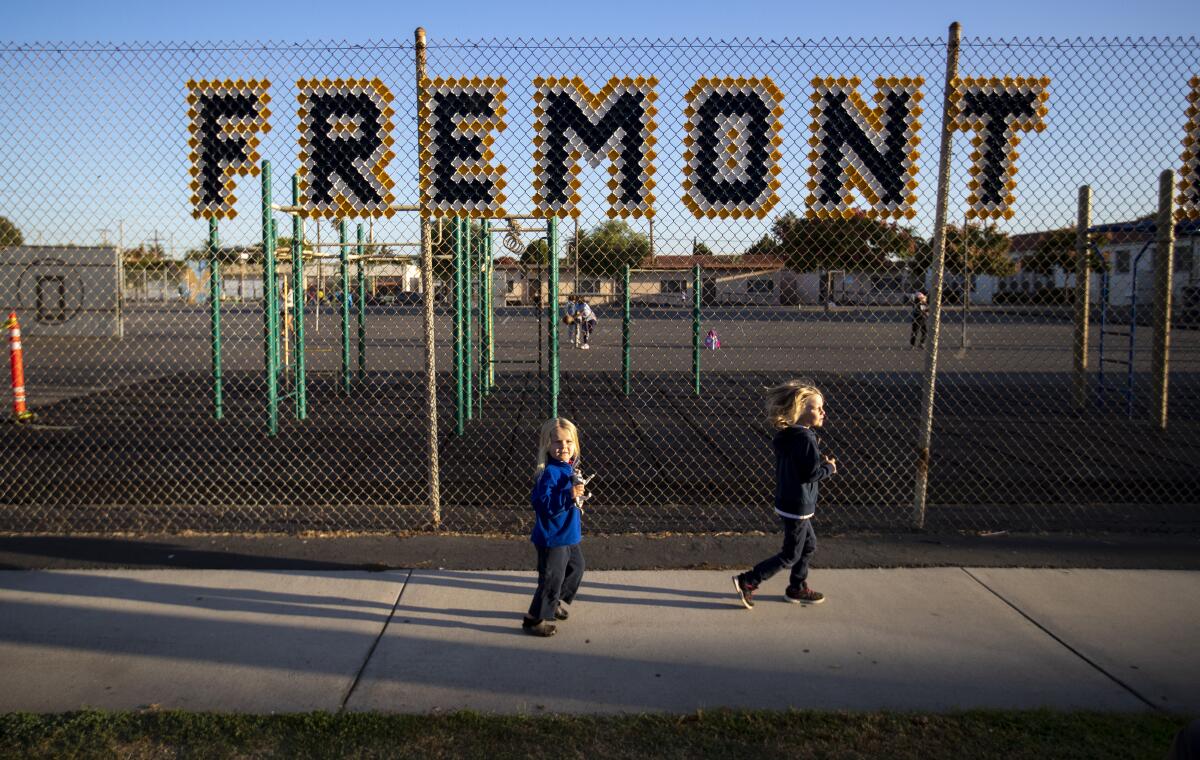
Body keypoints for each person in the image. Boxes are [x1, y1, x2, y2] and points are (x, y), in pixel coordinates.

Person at [733, 380, 837, 609]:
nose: (823, 412)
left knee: (808, 545)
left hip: (787, 500)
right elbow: (810, 474)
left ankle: (796, 587)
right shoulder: (806, 439)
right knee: (791, 554)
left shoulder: (787, 435)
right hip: (799, 505)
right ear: (799, 410)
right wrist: (829, 467)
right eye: (817, 408)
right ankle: (749, 580)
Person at [523, 417, 587, 637]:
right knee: (551, 578)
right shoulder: (549, 473)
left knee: (576, 568)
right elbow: (543, 505)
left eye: (568, 442)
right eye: (557, 442)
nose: (564, 447)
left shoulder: (569, 467)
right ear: (547, 445)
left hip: (568, 534)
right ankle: (534, 619)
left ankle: (554, 600)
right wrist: (568, 495)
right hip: (552, 537)